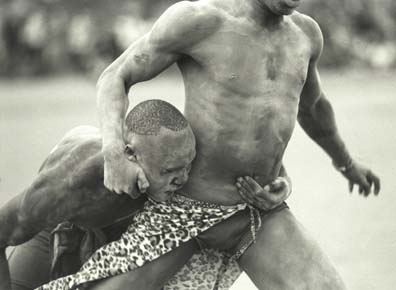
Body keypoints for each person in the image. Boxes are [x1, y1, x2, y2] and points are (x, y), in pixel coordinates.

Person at [97, 0, 381, 289]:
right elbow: (115, 76)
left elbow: (314, 108)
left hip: (255, 214)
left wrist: (345, 162)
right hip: (182, 206)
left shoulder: (306, 35)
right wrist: (114, 153)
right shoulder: (199, 20)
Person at [0, 100, 199, 290]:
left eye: (187, 166)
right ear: (130, 156)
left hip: (116, 238)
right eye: (169, 171)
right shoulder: (73, 179)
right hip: (58, 221)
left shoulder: (175, 162)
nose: (182, 179)